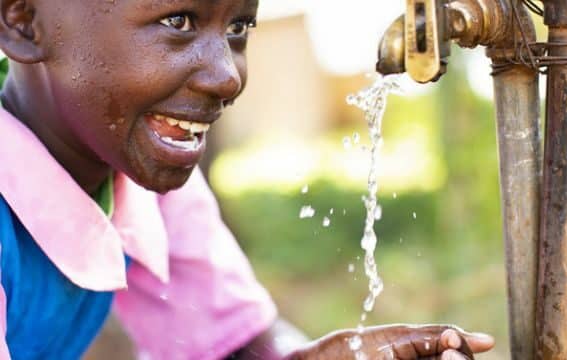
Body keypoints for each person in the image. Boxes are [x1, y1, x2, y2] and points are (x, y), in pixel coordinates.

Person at [0, 0, 495, 359]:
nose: (227, 76)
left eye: (238, 27)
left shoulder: (142, 180)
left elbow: (236, 342)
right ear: (22, 20)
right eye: (178, 21)